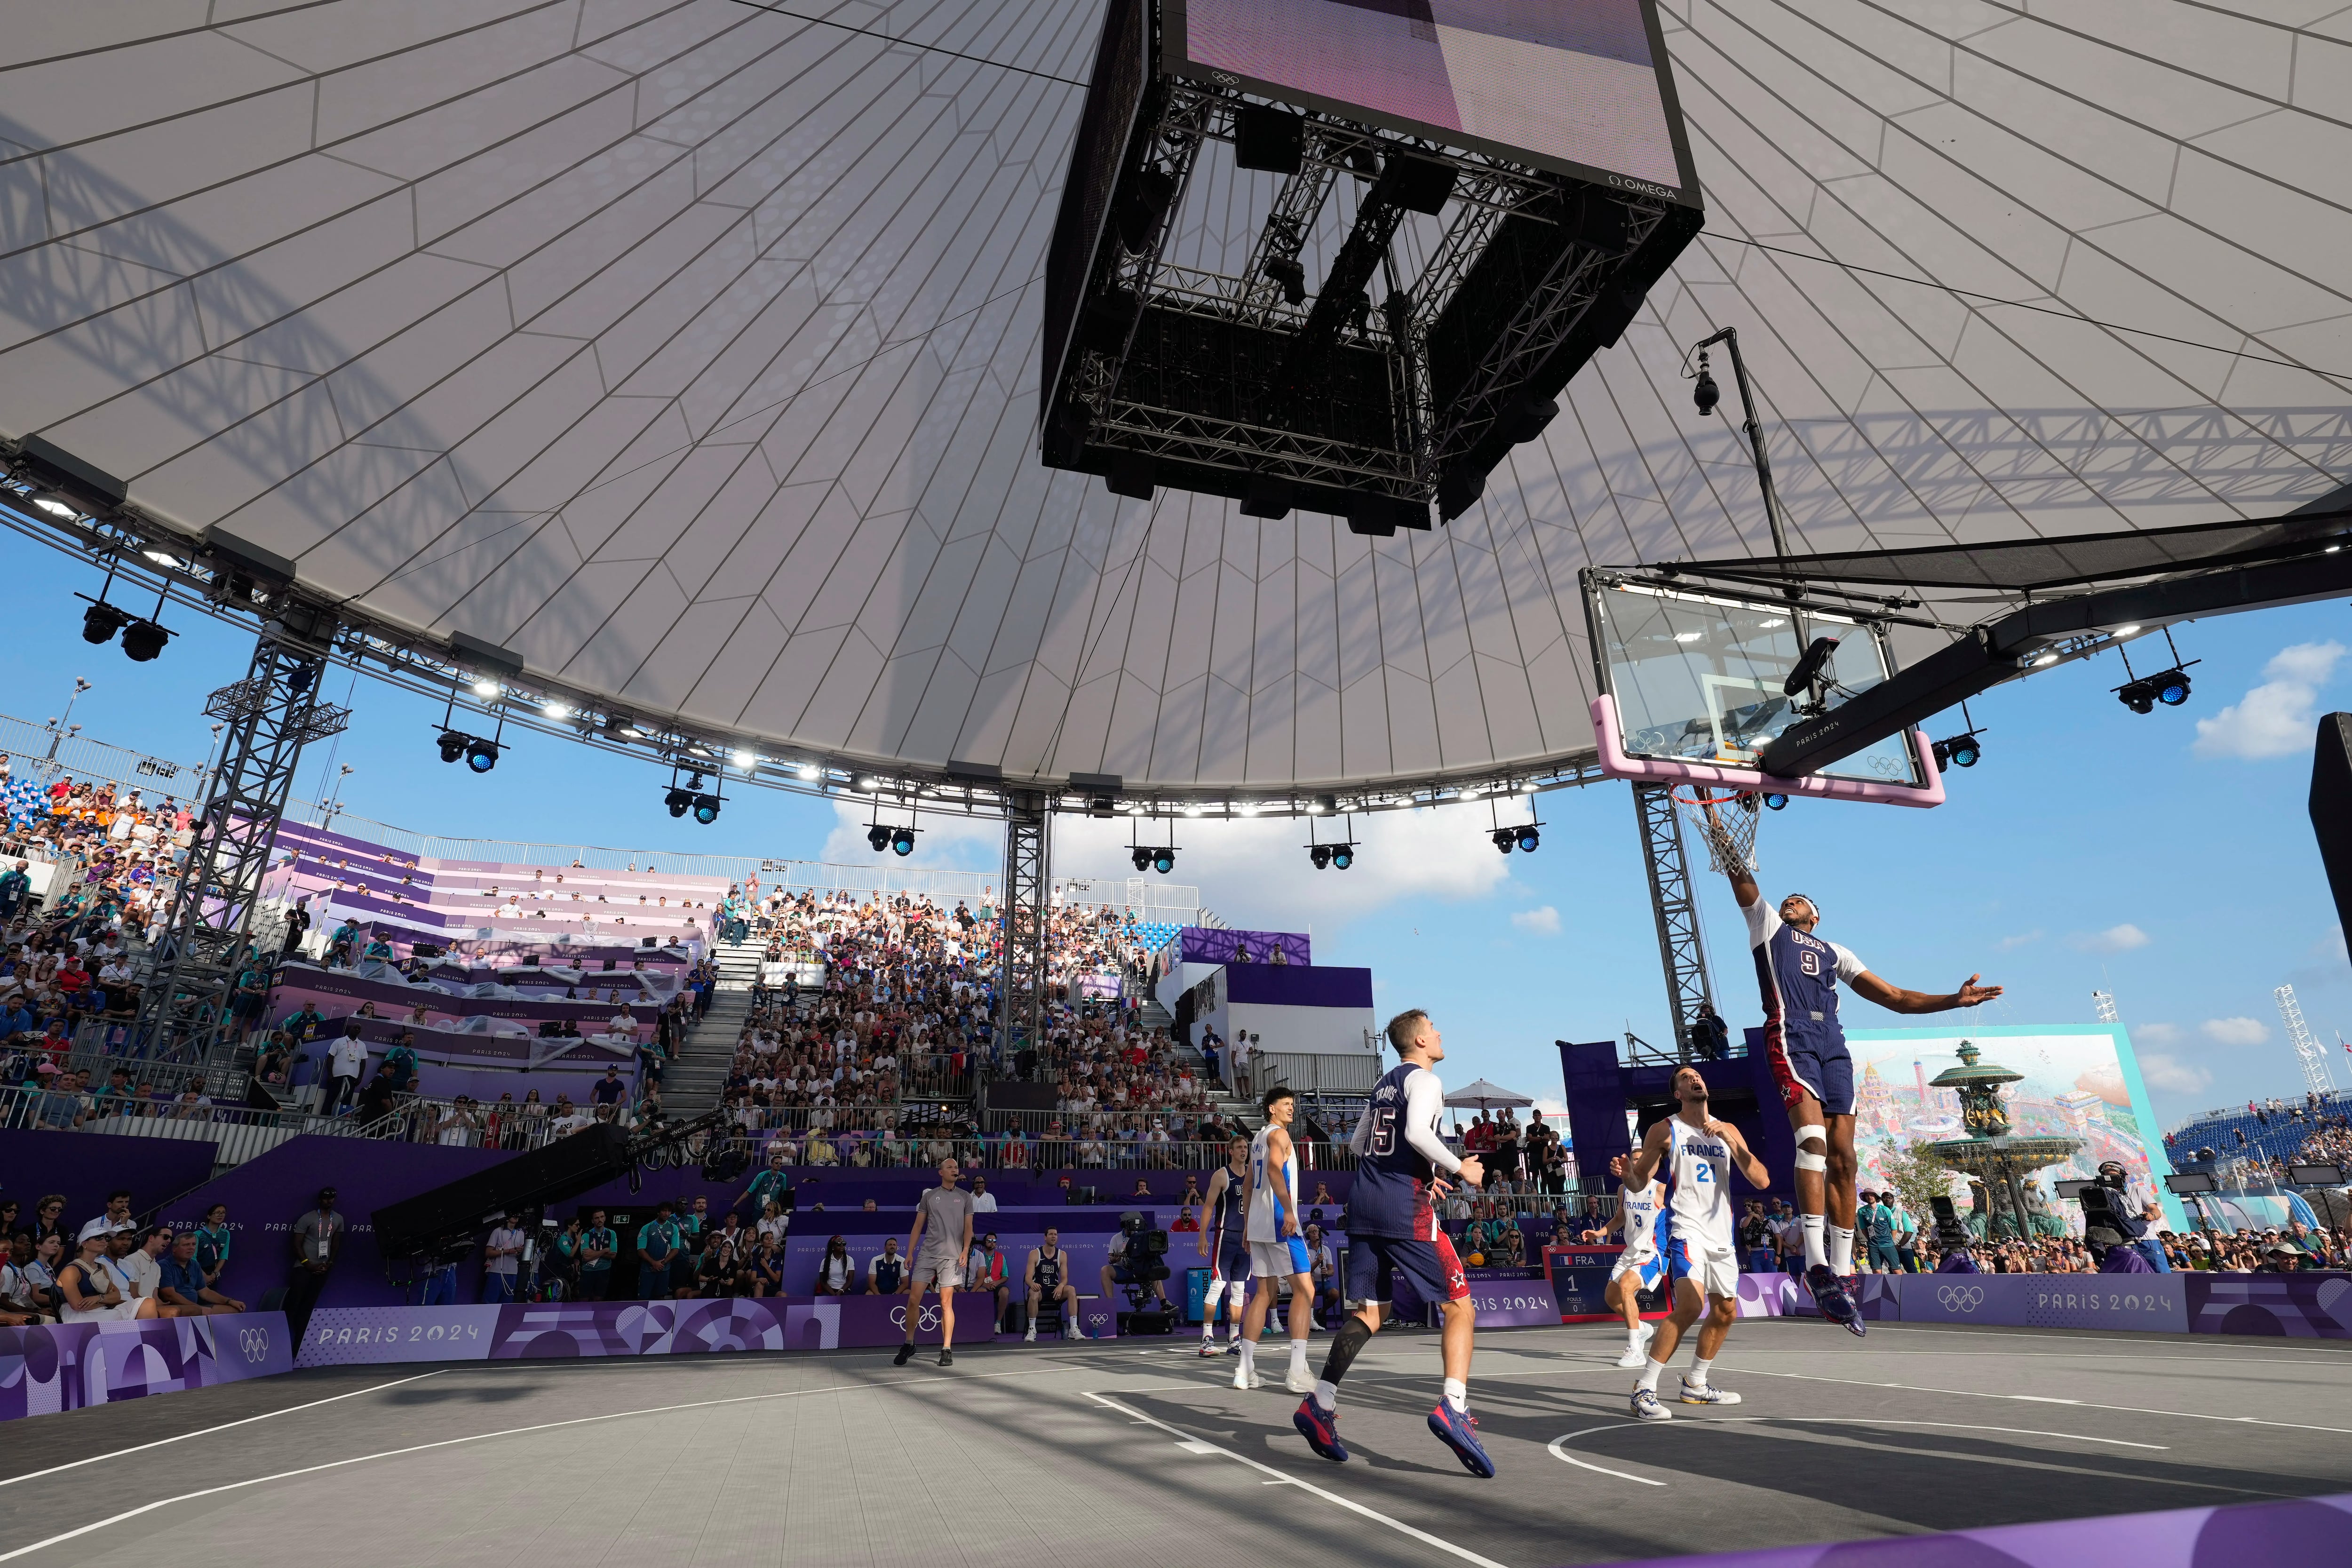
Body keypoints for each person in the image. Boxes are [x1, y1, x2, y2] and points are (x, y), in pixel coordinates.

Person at [1717, 851, 2000, 1332]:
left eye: (1799, 900)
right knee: (1811, 1141)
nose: (1789, 901)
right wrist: (1723, 838)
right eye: (1786, 899)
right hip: (1791, 1035)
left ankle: (1844, 1272)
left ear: (1816, 916)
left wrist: (1953, 1000)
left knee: (1845, 1159)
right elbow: (1740, 880)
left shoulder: (1837, 952)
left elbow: (1895, 999)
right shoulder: (1767, 928)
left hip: (1832, 1042)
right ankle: (1814, 1264)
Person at [1292, 1009, 1492, 1478]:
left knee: (1371, 1314)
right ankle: (1454, 1407)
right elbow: (1416, 1133)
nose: (1440, 1033)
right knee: (1460, 1307)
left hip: (1364, 1203)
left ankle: (1319, 1404)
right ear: (1420, 1040)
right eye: (1434, 1028)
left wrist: (1422, 1172)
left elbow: (1360, 1144)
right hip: (1404, 1209)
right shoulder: (1424, 1080)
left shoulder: (1383, 1084)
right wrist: (1458, 1168)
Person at [1622, 1065, 1771, 1421]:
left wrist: (1732, 1141)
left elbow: (1762, 1179)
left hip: (1721, 1234)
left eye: (1696, 1075)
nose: (1694, 1078)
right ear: (1679, 1093)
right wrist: (1628, 1174)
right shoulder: (1666, 1128)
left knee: (1726, 1311)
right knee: (1690, 1304)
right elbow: (1639, 1180)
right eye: (1686, 1078)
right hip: (1685, 1229)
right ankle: (1644, 1388)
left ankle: (1696, 1383)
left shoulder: (1727, 1130)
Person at [1237, 1085, 1317, 1395]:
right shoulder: (1279, 1136)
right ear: (1271, 1107)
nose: (1291, 1108)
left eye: (1292, 1104)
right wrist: (1287, 1210)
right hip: (1276, 1222)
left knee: (1263, 1292)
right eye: (1285, 1103)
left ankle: (1245, 1369)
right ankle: (1297, 1370)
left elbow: (1246, 1185)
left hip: (1258, 1224)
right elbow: (1273, 1169)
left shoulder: (1256, 1138)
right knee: (1305, 1289)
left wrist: (1246, 1226)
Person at [894, 1155, 973, 1368]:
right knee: (913, 1300)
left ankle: (946, 1349)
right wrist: (910, 1253)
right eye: (950, 1167)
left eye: (957, 1167)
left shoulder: (965, 1197)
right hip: (927, 1254)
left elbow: (969, 1228)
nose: (955, 1170)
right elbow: (917, 1226)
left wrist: (965, 1249)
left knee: (946, 1303)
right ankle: (909, 1343)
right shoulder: (929, 1197)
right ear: (941, 1172)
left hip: (952, 1257)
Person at [1605, 1152, 1667, 1369]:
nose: (1637, 1162)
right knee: (1612, 1298)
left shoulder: (1661, 1190)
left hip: (1653, 1252)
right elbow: (1620, 1219)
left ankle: (1635, 1350)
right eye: (1634, 1158)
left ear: (1654, 1162)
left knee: (1626, 1286)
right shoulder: (1623, 1189)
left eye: (1642, 1158)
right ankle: (1641, 1328)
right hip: (1630, 1252)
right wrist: (1600, 1232)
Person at [1195, 1132, 1253, 1358]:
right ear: (1231, 1151)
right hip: (1226, 1235)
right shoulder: (1222, 1175)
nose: (1243, 1151)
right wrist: (1202, 1236)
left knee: (1239, 1290)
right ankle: (1206, 1338)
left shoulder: (1253, 1174)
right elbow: (1208, 1207)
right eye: (1239, 1147)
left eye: (1245, 1147)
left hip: (1246, 1238)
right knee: (1218, 1286)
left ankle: (1235, 1339)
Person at [286, 1186, 343, 1341]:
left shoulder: (338, 1219)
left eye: (332, 1198)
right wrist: (307, 1264)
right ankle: (281, 1339)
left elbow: (336, 1244)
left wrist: (329, 1264)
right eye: (326, 1198)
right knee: (293, 1303)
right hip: (303, 1268)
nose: (329, 1201)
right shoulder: (307, 1218)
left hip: (323, 1269)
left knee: (308, 1306)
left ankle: (298, 1345)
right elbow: (296, 1245)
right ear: (319, 1200)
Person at [158, 1231, 246, 1315]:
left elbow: (205, 1292)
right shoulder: (164, 1265)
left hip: (195, 1307)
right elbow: (169, 1295)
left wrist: (230, 1301)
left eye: (194, 1244)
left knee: (234, 1310)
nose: (191, 1248)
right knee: (188, 1311)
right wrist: (198, 1308)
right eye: (186, 1245)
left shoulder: (195, 1265)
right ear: (175, 1249)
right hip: (177, 1308)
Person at [1024, 1225, 1083, 1340]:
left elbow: (1065, 1278)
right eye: (1051, 1234)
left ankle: (1074, 1329)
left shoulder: (1062, 1255)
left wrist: (1061, 1286)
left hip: (1055, 1291)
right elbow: (1028, 1278)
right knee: (1034, 1293)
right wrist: (1032, 1285)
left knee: (1071, 1290)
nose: (1054, 1236)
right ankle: (1032, 1330)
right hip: (1040, 1290)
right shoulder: (1035, 1254)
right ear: (1045, 1237)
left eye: (1055, 1234)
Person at [636, 1201, 684, 1299]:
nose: (667, 1214)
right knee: (644, 1298)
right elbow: (641, 1250)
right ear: (658, 1212)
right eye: (664, 1211)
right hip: (648, 1270)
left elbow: (675, 1250)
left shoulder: (673, 1228)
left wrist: (662, 1263)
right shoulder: (647, 1228)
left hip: (664, 1270)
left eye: (669, 1211)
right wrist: (654, 1263)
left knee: (660, 1298)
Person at [482, 1211, 526, 1303]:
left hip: (513, 1272)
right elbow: (488, 1253)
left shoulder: (521, 1233)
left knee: (507, 1303)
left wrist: (519, 1252)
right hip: (497, 1271)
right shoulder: (498, 1231)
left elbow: (521, 1254)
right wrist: (508, 1251)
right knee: (490, 1301)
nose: (516, 1217)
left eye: (517, 1215)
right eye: (513, 1215)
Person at [577, 1210, 617, 1299]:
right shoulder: (587, 1235)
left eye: (602, 1217)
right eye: (597, 1218)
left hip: (604, 1270)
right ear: (593, 1221)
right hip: (588, 1271)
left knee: (599, 1299)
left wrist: (593, 1253)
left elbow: (613, 1255)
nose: (600, 1220)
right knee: (584, 1299)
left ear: (605, 1218)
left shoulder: (611, 1234)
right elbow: (586, 1257)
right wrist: (605, 1251)